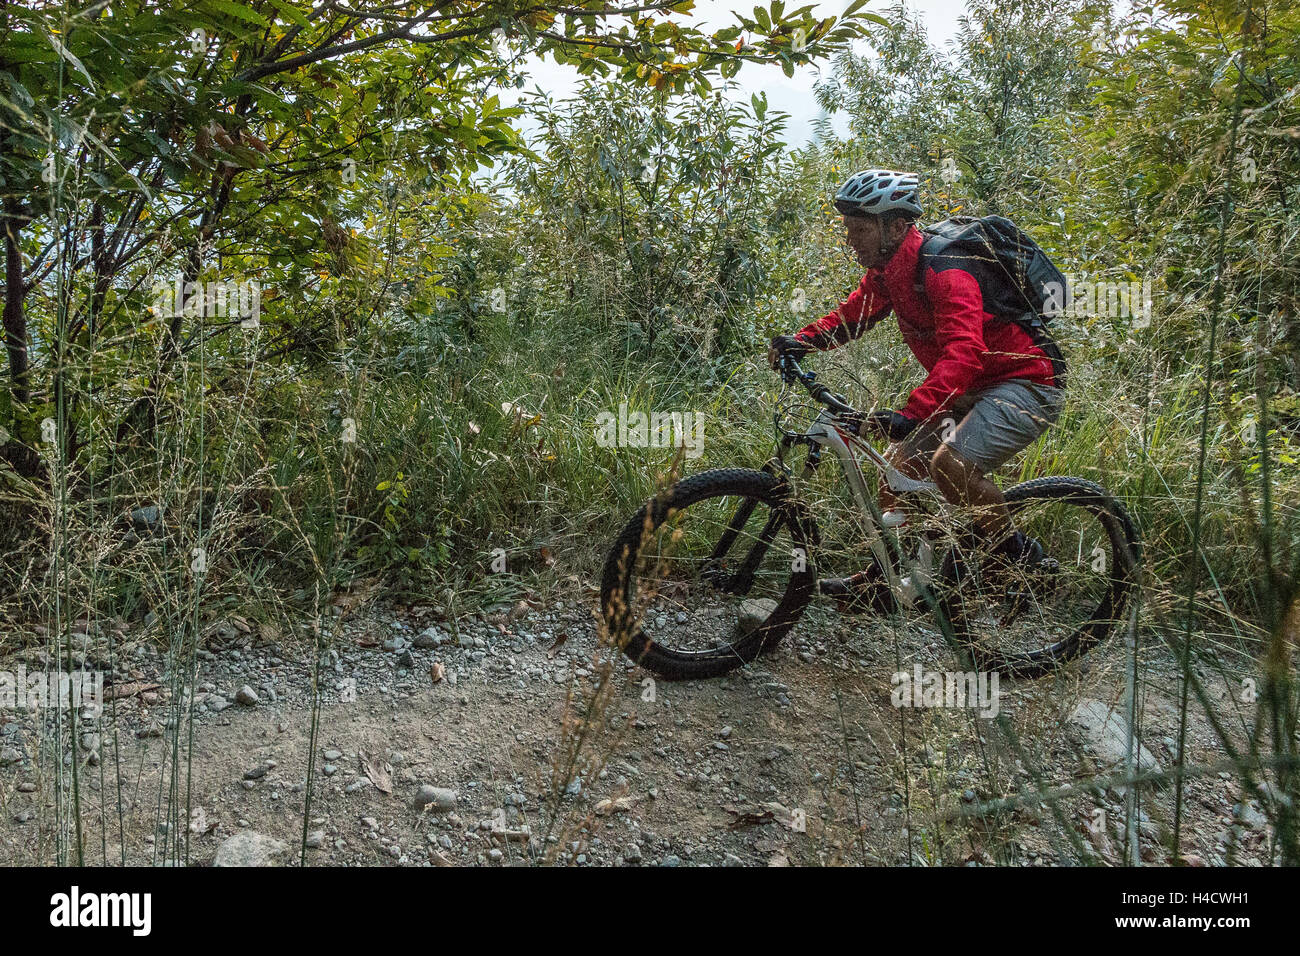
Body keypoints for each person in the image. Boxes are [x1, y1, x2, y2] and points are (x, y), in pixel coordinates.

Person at [768, 169, 1065, 605]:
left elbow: (965, 353)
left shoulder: (947, 271)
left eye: (860, 229)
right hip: (971, 387)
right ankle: (889, 580)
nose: (851, 239)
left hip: (1026, 383)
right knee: (899, 469)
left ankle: (1022, 565)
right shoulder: (888, 271)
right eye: (849, 229)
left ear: (895, 226)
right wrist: (803, 340)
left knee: (952, 466)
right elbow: (853, 316)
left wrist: (910, 413)